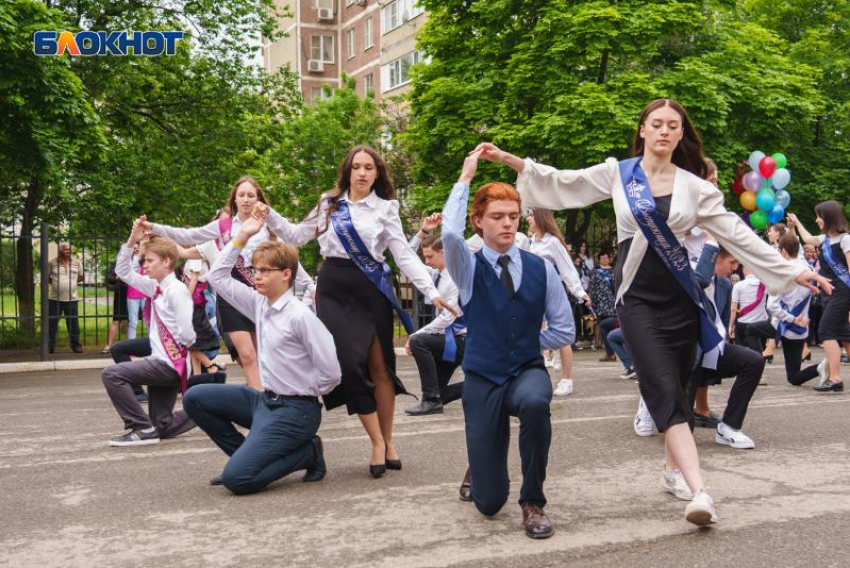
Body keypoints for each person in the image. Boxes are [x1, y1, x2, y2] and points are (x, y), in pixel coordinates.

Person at [476, 98, 828, 526]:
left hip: (680, 300)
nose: (663, 131)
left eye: (672, 125)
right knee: (661, 386)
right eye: (656, 123)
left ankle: (671, 470)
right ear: (642, 129)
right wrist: (513, 161)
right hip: (637, 301)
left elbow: (737, 235)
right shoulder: (618, 173)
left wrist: (792, 271)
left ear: (681, 135)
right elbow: (564, 183)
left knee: (677, 387)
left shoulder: (695, 188)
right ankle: (700, 492)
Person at [262, 145, 453, 478]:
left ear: (377, 173)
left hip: (371, 288)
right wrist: (270, 215)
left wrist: (432, 292)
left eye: (369, 167)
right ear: (347, 171)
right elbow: (295, 236)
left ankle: (387, 442)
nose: (362, 173)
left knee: (380, 367)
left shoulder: (386, 209)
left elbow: (404, 256)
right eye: (356, 167)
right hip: (334, 287)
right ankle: (375, 438)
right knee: (348, 365)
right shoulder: (329, 204)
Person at [441, 150, 573, 539]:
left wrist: (529, 342)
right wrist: (465, 177)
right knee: (488, 503)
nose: (507, 224)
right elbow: (448, 234)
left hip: (526, 369)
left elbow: (565, 330)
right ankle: (479, 467)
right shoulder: (467, 266)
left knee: (536, 403)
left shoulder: (540, 267)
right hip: (482, 377)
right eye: (497, 217)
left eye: (513, 217)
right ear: (478, 222)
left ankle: (533, 502)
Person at [183, 209, 340, 494]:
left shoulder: (300, 316)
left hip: (296, 411)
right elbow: (218, 276)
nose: (256, 276)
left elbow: (332, 372)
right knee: (195, 397)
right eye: (255, 269)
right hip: (264, 402)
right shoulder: (259, 303)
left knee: (237, 481)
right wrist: (242, 236)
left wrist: (305, 394)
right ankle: (248, 457)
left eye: (264, 271)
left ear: (286, 274)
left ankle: (308, 453)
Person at [142, 177, 307, 392]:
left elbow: (291, 261)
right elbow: (188, 235)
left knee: (262, 354)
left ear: (259, 200)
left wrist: (309, 285)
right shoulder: (223, 226)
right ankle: (258, 404)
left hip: (259, 295)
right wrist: (152, 226)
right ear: (235, 199)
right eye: (242, 195)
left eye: (251, 195)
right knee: (246, 355)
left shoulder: (268, 228)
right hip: (230, 295)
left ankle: (262, 392)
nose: (246, 200)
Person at [101, 225, 197, 447]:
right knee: (162, 426)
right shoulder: (156, 287)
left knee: (112, 374)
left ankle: (140, 427)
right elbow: (123, 272)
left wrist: (173, 352)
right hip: (166, 362)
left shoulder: (176, 290)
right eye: (144, 261)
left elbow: (188, 334)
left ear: (166, 261)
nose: (144, 266)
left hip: (170, 364)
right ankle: (208, 408)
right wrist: (132, 238)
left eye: (149, 261)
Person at [689, 234, 764, 450]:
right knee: (681, 432)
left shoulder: (724, 285)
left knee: (753, 360)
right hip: (684, 355)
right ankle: (650, 407)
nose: (735, 268)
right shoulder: (688, 275)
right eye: (732, 262)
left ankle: (729, 427)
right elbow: (699, 282)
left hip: (709, 350)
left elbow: (719, 324)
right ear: (714, 258)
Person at [404, 215, 466, 416]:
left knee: (419, 342)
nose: (426, 260)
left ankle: (430, 400)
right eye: (425, 257)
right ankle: (479, 386)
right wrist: (423, 232)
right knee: (441, 392)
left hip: (462, 340)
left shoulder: (457, 277)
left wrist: (415, 336)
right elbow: (406, 256)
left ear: (444, 252)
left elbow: (449, 318)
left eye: (430, 256)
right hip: (447, 339)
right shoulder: (435, 274)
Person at [527, 208, 591, 396]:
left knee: (562, 335)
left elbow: (567, 269)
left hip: (553, 293)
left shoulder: (553, 242)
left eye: (531, 214)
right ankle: (537, 376)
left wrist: (579, 292)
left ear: (540, 217)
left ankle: (566, 379)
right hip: (535, 293)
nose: (528, 218)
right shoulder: (531, 242)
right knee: (536, 333)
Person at [789, 203, 850, 391]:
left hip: (842, 290)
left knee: (825, 331)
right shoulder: (823, 239)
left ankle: (835, 378)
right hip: (830, 291)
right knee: (845, 333)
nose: (816, 220)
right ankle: (835, 378)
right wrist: (797, 222)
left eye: (819, 216)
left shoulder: (845, 239)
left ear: (830, 217)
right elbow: (807, 238)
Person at [47, 242, 84, 354]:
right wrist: (56, 284)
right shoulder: (52, 263)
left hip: (72, 299)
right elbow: (48, 277)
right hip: (55, 299)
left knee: (73, 324)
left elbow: (81, 277)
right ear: (60, 250)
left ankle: (76, 346)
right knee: (52, 323)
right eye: (65, 250)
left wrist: (71, 284)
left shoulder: (77, 263)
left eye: (68, 249)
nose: (67, 251)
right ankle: (50, 346)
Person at [729, 266, 770, 356]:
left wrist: (731, 325)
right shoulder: (764, 285)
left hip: (743, 323)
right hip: (760, 323)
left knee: (740, 352)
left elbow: (733, 309)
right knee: (759, 350)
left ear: (744, 271)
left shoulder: (737, 285)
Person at [589, 250, 617, 360]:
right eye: (602, 258)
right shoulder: (596, 271)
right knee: (601, 325)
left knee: (610, 325)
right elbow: (592, 285)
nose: (604, 260)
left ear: (609, 258)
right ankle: (608, 351)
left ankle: (611, 351)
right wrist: (590, 298)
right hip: (600, 301)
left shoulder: (614, 271)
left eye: (606, 258)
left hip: (612, 302)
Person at [103, 260, 129, 354]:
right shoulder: (118, 262)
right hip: (121, 293)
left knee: (131, 321)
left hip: (136, 293)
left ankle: (130, 346)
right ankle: (109, 345)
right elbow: (110, 278)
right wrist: (119, 277)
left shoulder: (140, 261)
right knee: (116, 320)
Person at [126, 244, 147, 340]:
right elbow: (133, 270)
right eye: (133, 248)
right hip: (132, 295)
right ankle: (130, 345)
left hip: (144, 294)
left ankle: (152, 344)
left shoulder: (144, 260)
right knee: (133, 322)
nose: (136, 249)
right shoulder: (128, 261)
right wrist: (134, 255)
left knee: (149, 320)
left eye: (137, 247)